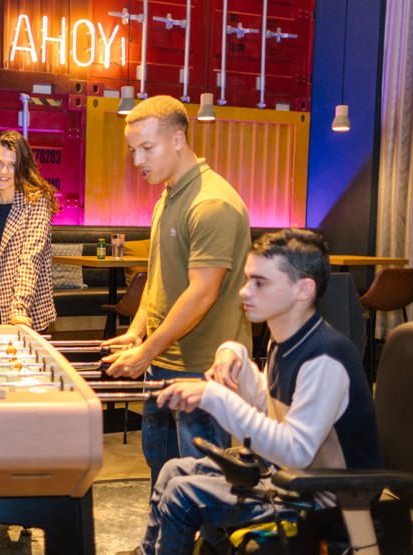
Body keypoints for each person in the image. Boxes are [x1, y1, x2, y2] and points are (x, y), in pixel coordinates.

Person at [141, 229, 383, 554]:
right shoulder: (284, 338)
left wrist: (216, 397)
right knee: (173, 470)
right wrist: (234, 355)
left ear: (303, 289)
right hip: (293, 479)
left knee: (183, 496)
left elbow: (294, 450)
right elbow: (271, 409)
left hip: (326, 498)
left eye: (260, 282)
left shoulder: (325, 357)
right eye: (246, 280)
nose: (244, 292)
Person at [103, 95, 252, 484]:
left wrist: (146, 350)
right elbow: (158, 278)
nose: (138, 161)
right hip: (163, 359)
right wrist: (137, 332)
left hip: (202, 368)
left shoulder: (211, 202)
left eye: (146, 148)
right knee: (163, 471)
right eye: (133, 151)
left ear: (179, 140)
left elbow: (202, 293)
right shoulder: (168, 195)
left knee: (204, 484)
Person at [0, 129, 61, 332]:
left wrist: (19, 309)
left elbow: (30, 258)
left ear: (23, 168)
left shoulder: (36, 201)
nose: (4, 172)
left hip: (26, 306)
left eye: (12, 165)